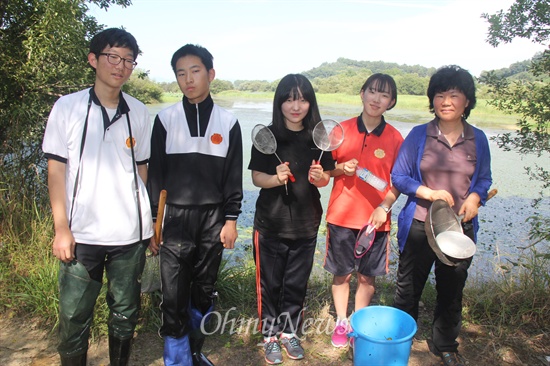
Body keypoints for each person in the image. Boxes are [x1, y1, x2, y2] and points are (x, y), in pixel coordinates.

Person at [42, 28, 153, 366]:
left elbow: (141, 171)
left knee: (125, 313)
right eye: (112, 57)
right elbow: (56, 172)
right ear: (93, 60)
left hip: (129, 236)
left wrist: (147, 224)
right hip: (82, 235)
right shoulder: (68, 107)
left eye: (128, 60)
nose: (120, 66)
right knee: (74, 315)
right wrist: (62, 228)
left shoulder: (139, 112)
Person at [147, 44, 243, 366]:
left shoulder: (228, 122)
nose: (188, 79)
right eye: (181, 73)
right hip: (174, 217)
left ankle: (195, 350)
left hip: (213, 220)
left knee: (204, 291)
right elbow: (156, 176)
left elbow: (233, 178)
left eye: (195, 71)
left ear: (211, 74)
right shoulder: (164, 119)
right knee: (173, 294)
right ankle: (177, 360)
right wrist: (153, 223)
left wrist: (231, 220)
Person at [391, 65, 492, 366]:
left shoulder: (478, 138)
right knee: (408, 286)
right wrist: (429, 192)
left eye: (453, 95)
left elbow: (484, 179)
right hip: (421, 224)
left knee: (451, 288)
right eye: (439, 95)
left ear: (467, 101)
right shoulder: (420, 134)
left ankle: (445, 343)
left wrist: (475, 197)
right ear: (432, 100)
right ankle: (399, 338)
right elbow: (399, 177)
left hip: (459, 230)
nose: (445, 101)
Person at [248, 74, 333, 365]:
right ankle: (270, 335)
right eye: (289, 98)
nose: (296, 105)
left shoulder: (319, 139)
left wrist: (321, 178)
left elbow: (326, 178)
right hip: (270, 225)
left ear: (310, 102)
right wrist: (276, 177)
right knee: (269, 284)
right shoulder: (266, 137)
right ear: (280, 102)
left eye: (302, 98)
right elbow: (257, 177)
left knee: (296, 283)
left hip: (306, 224)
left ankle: (289, 332)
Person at [322, 73, 403, 348]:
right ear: (362, 93)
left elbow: (399, 183)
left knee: (367, 277)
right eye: (372, 92)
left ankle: (359, 322)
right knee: (341, 273)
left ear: (391, 102)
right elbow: (322, 173)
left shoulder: (394, 138)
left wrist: (384, 206)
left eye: (384, 95)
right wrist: (337, 170)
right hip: (342, 216)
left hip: (376, 220)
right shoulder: (340, 130)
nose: (376, 99)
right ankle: (342, 321)